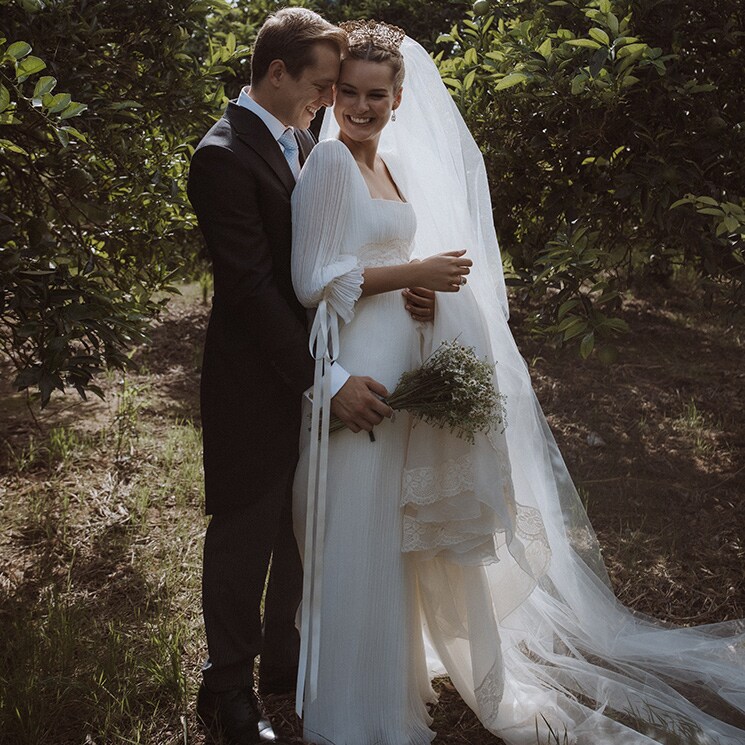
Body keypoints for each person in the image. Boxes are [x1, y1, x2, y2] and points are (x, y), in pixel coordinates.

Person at [290, 20, 745, 745]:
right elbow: (310, 281)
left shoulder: (388, 165)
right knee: (357, 537)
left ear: (398, 97)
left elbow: (376, 260)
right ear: (334, 92)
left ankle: (396, 688)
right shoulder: (329, 164)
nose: (359, 106)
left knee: (395, 538)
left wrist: (424, 298)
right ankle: (354, 715)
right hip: (359, 377)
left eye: (375, 94)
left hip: (404, 372)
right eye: (347, 92)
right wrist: (414, 274)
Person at [187, 9, 407, 744]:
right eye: (320, 84)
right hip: (257, 379)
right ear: (276, 73)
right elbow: (251, 289)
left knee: (298, 527)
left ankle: (284, 663)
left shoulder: (304, 141)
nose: (328, 98)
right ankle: (225, 691)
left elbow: (331, 247)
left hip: (313, 365)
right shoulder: (221, 155)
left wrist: (389, 283)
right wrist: (326, 379)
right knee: (245, 533)